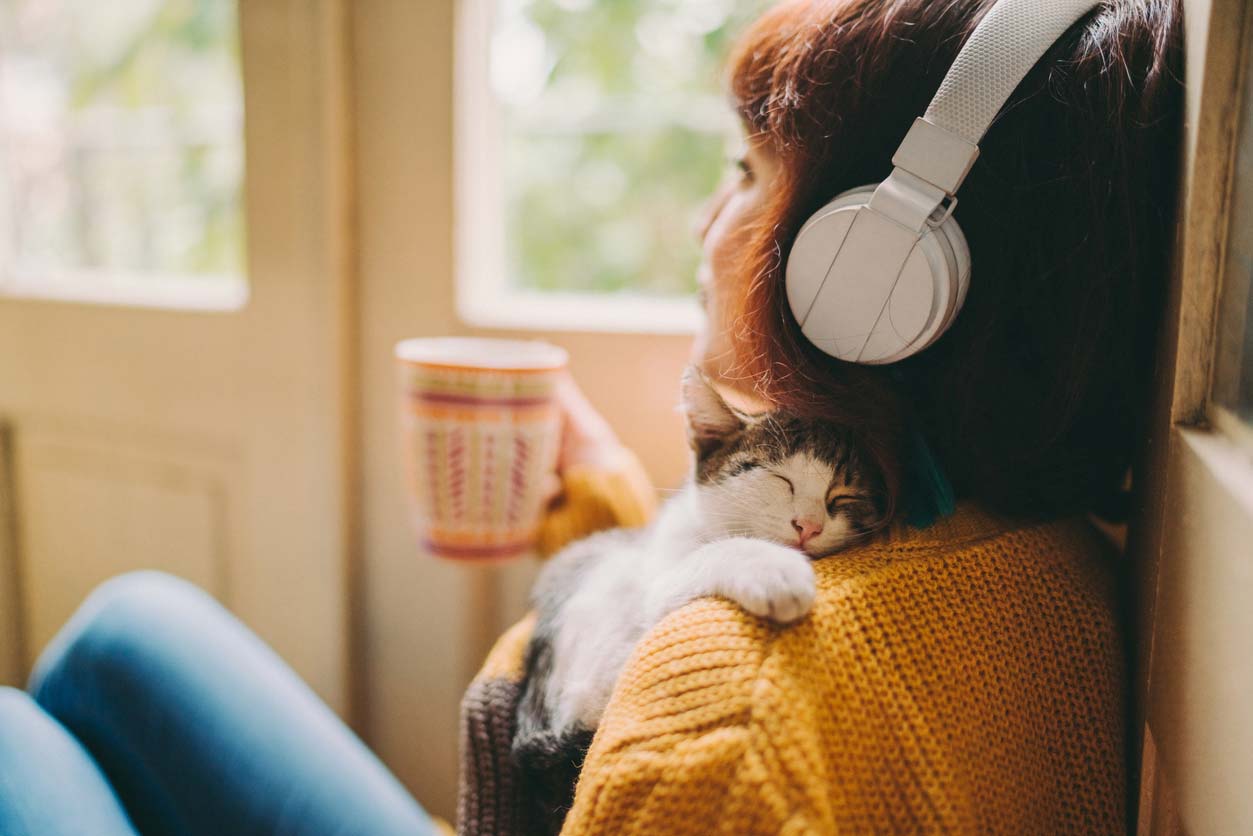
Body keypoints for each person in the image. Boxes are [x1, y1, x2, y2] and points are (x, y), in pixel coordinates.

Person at [0, 0, 1181, 833]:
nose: (701, 224)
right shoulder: (1036, 542)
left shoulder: (724, 743)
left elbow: (683, 749)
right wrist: (623, 521)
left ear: (871, 263)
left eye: (745, 171)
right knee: (125, 629)